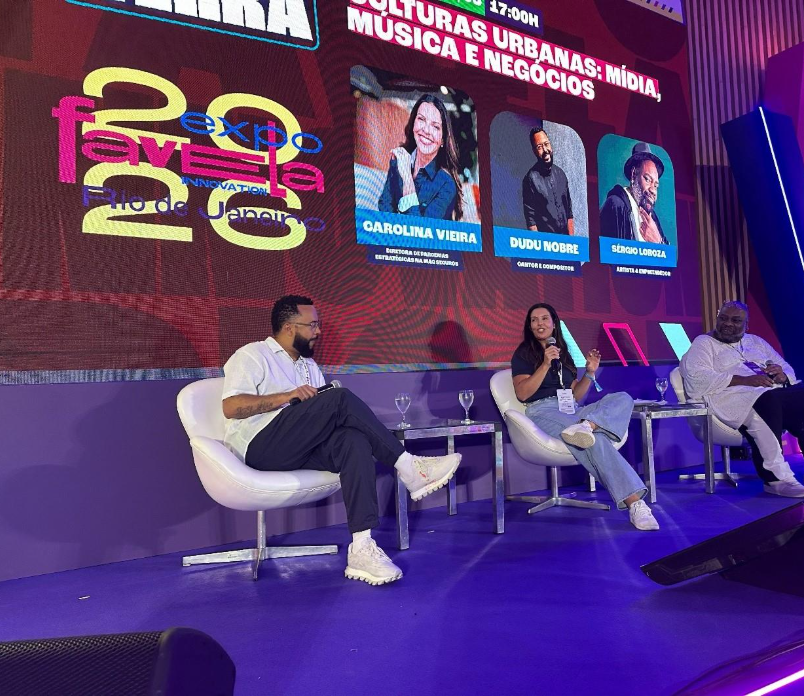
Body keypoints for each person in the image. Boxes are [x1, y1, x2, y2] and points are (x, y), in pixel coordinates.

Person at [222, 294, 462, 585]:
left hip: (298, 447)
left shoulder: (309, 366)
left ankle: (361, 548)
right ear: (289, 327)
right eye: (312, 325)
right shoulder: (252, 355)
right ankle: (409, 467)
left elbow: (320, 418)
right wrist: (288, 396)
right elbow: (231, 406)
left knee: (353, 441)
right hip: (260, 446)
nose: (319, 331)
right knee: (339, 397)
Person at [679, 301, 804, 498]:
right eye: (723, 318)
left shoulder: (755, 342)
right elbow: (696, 377)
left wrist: (783, 375)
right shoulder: (704, 343)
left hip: (770, 392)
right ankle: (777, 479)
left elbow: (785, 367)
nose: (728, 324)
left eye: (735, 320)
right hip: (732, 396)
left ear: (746, 325)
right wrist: (745, 380)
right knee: (765, 402)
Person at [510, 303, 659, 530]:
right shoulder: (523, 354)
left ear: (554, 323)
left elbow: (575, 395)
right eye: (534, 320)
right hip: (543, 410)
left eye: (544, 318)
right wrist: (545, 364)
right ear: (529, 326)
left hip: (572, 410)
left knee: (623, 398)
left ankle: (588, 425)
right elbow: (522, 393)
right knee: (594, 440)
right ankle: (635, 504)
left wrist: (589, 373)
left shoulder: (563, 353)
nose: (539, 323)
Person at [377, 94, 463, 220]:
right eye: (421, 119)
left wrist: (407, 177)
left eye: (435, 126)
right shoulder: (398, 161)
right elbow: (384, 209)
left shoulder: (446, 184)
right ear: (413, 124)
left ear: (443, 139)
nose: (426, 130)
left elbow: (420, 230)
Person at [599, 141, 668, 244]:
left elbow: (667, 251)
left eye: (655, 185)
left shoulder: (652, 217)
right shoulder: (615, 204)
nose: (653, 190)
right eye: (648, 179)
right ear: (634, 174)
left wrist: (658, 241)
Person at [521, 127, 574, 235]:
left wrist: (572, 241)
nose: (545, 150)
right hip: (546, 243)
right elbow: (531, 222)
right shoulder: (530, 180)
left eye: (546, 144)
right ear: (534, 151)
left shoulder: (561, 174)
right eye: (539, 147)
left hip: (566, 242)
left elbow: (569, 213)